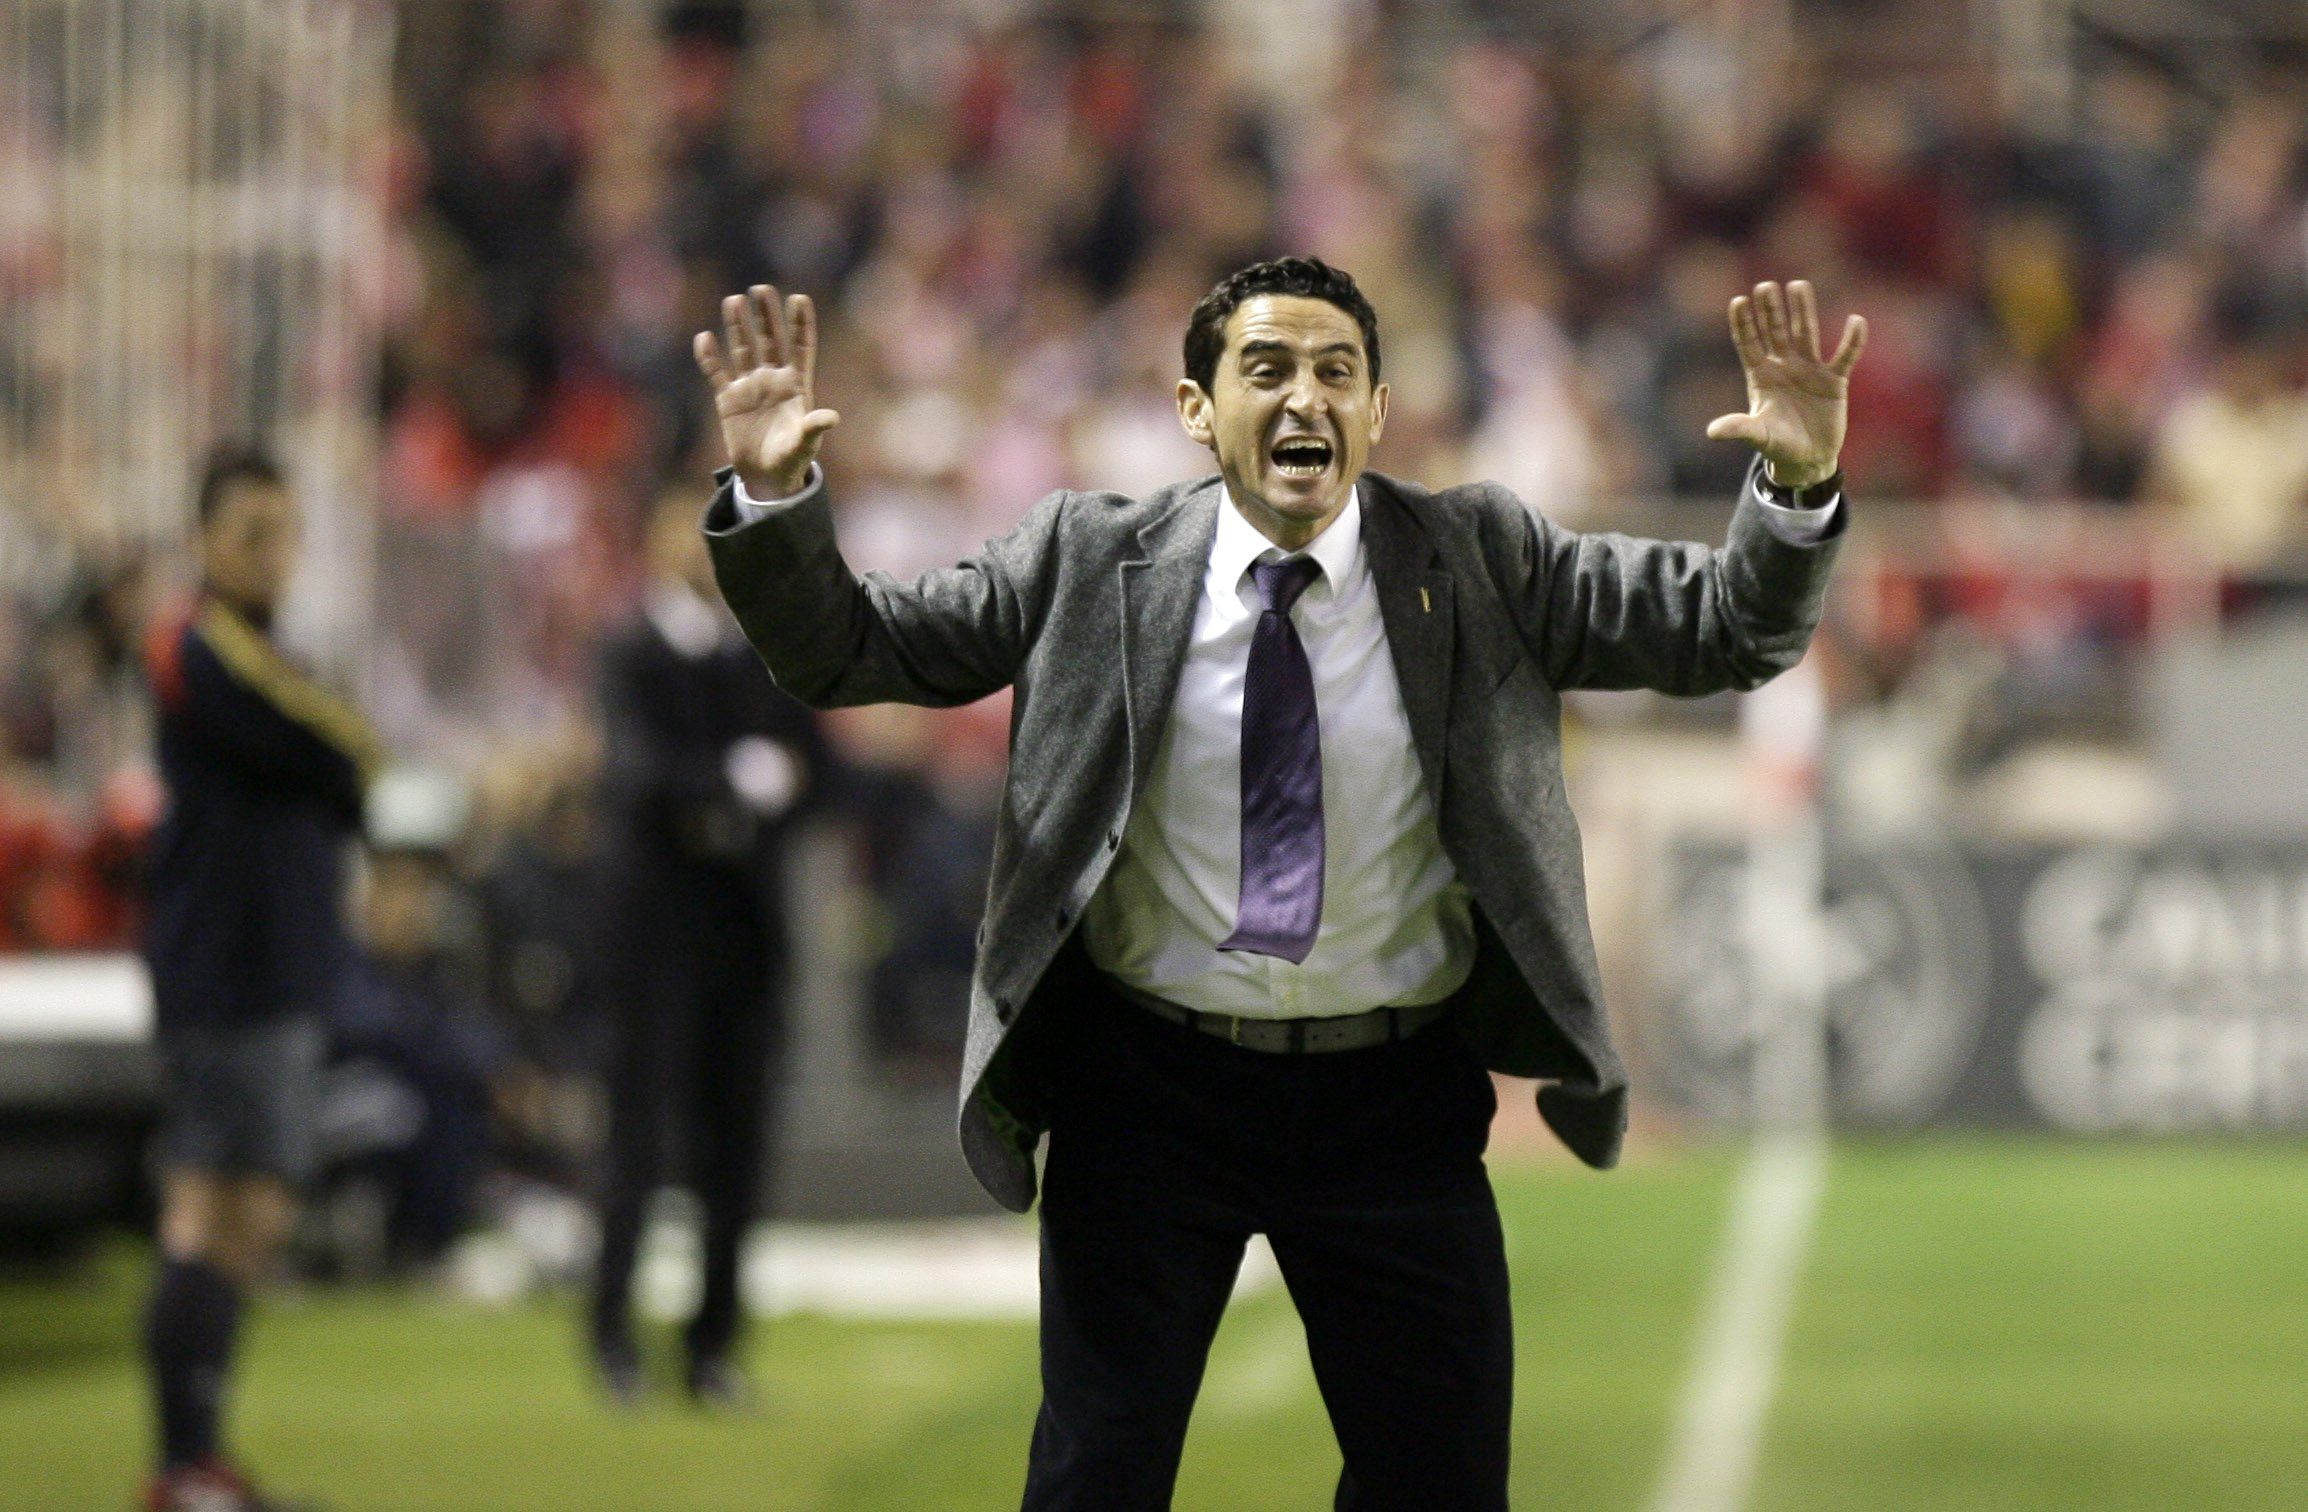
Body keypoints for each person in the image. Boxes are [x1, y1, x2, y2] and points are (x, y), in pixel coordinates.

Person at [695, 258, 1864, 1508]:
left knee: (1442, 1484)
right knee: (1095, 1479)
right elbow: (849, 650)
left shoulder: (1481, 557)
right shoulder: (1088, 562)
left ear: (1373, 410)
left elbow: (1725, 628)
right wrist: (774, 495)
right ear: (1197, 409)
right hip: (1147, 1096)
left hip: (1391, 1105)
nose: (1302, 397)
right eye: (1264, 370)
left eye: (1334, 372)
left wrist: (1794, 483)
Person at [140, 445, 381, 1512]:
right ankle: (179, 1466)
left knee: (250, 1216)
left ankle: (199, 1455)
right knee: (207, 1209)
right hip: (221, 965)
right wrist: (341, 764)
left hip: (276, 962)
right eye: (252, 535)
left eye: (283, 534)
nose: (273, 556)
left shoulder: (260, 651)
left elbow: (333, 762)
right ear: (204, 540)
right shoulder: (199, 646)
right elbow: (337, 752)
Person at [586, 487, 827, 1408]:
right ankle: (613, 1337)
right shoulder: (632, 649)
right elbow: (634, 772)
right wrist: (730, 780)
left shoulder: (757, 650)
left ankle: (712, 1346)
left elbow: (820, 771)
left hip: (742, 927)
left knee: (736, 1143)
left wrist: (758, 790)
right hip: (654, 929)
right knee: (638, 1137)